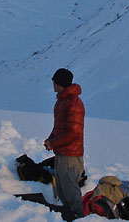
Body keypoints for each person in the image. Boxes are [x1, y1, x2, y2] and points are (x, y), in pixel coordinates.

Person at [44, 68, 85, 219]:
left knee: (71, 192)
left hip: (71, 155)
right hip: (62, 153)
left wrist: (54, 142)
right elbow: (59, 127)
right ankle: (68, 216)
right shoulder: (62, 101)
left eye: (55, 81)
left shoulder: (73, 103)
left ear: (60, 83)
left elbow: (73, 132)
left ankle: (80, 217)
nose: (53, 84)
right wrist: (50, 140)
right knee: (62, 191)